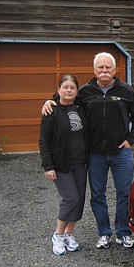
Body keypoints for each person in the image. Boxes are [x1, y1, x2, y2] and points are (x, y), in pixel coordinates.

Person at [43, 52, 134, 249]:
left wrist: (131, 140)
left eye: (108, 67)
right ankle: (104, 233)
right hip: (95, 154)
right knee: (97, 194)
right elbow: (66, 96)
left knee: (124, 193)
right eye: (101, 67)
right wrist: (49, 100)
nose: (104, 71)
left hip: (121, 154)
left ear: (115, 70)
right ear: (94, 70)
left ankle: (123, 233)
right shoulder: (85, 92)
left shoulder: (126, 91)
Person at [39, 74, 88, 256]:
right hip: (61, 165)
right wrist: (48, 166)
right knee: (70, 199)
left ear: (76, 90)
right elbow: (43, 141)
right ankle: (58, 235)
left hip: (80, 163)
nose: (69, 90)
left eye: (72, 88)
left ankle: (69, 234)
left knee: (80, 200)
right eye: (65, 87)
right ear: (59, 89)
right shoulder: (51, 111)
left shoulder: (80, 106)